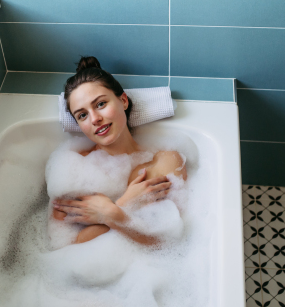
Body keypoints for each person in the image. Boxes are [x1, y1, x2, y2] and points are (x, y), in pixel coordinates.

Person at [52, 56, 187, 245]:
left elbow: (168, 242)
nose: (94, 119)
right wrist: (123, 205)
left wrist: (111, 213)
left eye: (100, 104)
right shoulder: (71, 170)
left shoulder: (165, 161)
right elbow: (63, 247)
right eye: (82, 115)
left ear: (123, 101)